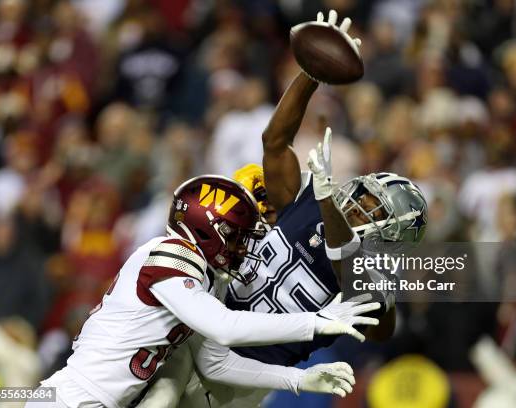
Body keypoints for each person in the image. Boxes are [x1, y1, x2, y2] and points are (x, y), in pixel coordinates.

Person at [140, 10, 428, 408]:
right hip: (197, 330)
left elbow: (375, 320)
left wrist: (328, 202)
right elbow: (274, 141)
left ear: (390, 237)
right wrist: (310, 74)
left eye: (374, 212)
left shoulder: (372, 280)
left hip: (238, 382)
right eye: (364, 197)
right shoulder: (309, 200)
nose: (359, 208)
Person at [25, 175, 380, 408]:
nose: (245, 248)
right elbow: (225, 327)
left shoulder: (200, 278)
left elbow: (217, 362)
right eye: (238, 236)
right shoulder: (167, 255)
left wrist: (299, 378)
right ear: (209, 230)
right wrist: (316, 322)